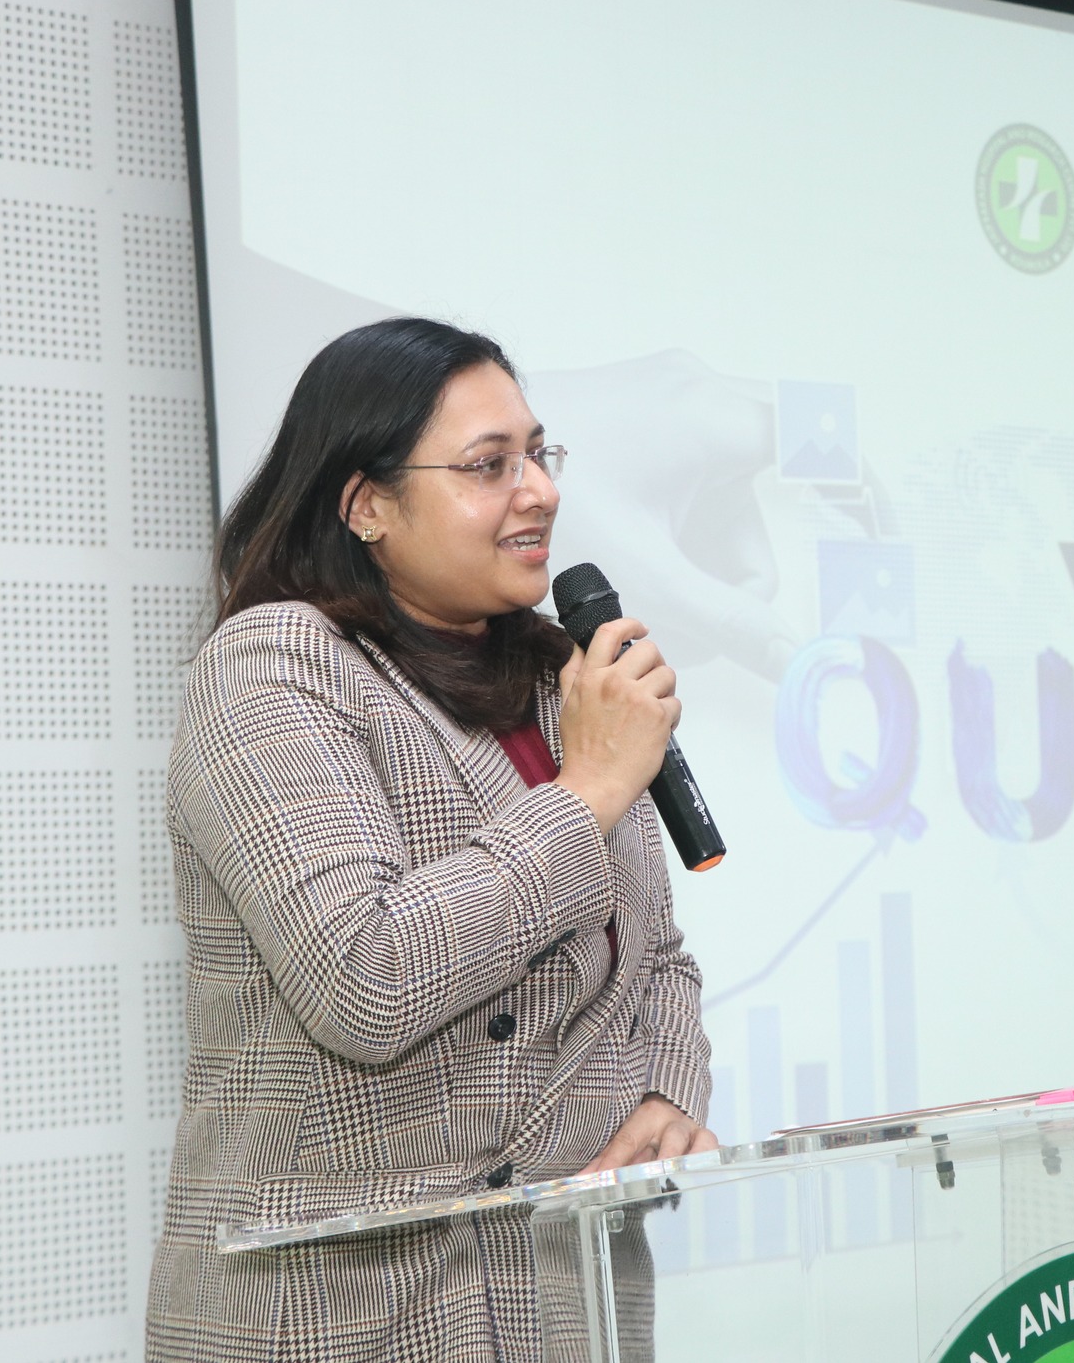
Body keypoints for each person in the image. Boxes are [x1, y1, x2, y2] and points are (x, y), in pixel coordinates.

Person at [146, 317, 717, 1362]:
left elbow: (652, 953)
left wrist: (666, 1087)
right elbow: (364, 977)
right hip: (345, 1316)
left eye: (537, 454)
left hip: (562, 1302)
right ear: (366, 504)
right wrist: (588, 790)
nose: (538, 491)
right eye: (488, 465)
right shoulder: (274, 664)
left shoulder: (558, 680)